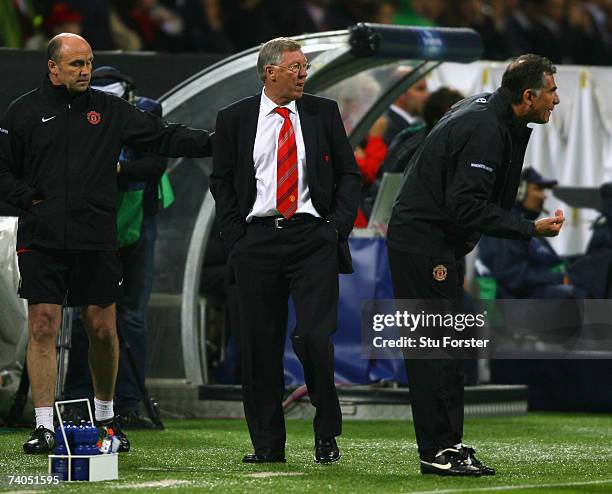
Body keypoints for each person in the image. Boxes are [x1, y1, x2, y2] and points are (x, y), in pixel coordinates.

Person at [0, 33, 213, 454]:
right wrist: (32, 202)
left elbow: (163, 137)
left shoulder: (110, 110)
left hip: (97, 237)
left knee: (102, 329)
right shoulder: (22, 112)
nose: (86, 72)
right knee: (43, 324)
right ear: (53, 68)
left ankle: (106, 416)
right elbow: (4, 171)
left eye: (89, 63)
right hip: (41, 238)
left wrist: (220, 140)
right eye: (77, 64)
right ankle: (44, 425)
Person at [386, 54, 564, 476]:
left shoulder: (491, 114)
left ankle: (450, 445)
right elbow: (465, 206)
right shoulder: (487, 128)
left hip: (436, 241)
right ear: (528, 95)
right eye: (552, 91)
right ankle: (438, 450)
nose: (557, 100)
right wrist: (528, 228)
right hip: (425, 243)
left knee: (447, 349)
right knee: (433, 350)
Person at [209, 37, 360, 464]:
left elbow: (350, 175)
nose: (303, 74)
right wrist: (235, 236)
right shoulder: (234, 118)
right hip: (256, 241)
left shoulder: (322, 113)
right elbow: (220, 181)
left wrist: (335, 229)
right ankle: (267, 446)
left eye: (305, 67)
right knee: (259, 346)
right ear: (269, 71)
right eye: (295, 67)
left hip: (313, 238)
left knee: (314, 337)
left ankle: (326, 431)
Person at [63, 66, 170, 428]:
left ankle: (127, 402)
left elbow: (155, 164)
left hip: (137, 217)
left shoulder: (146, 111)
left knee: (131, 316)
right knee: (86, 315)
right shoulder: (75, 110)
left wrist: (116, 171)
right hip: (91, 219)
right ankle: (78, 400)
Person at [478, 167, 587, 299]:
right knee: (574, 295)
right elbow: (513, 275)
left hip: (530, 302)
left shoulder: (523, 223)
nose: (544, 195)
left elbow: (549, 262)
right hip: (515, 307)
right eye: (538, 189)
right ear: (519, 191)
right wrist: (560, 278)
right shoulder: (506, 224)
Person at [382, 72, 429, 146]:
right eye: (420, 89)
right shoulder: (387, 129)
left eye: (426, 89)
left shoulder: (420, 119)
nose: (427, 95)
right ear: (401, 93)